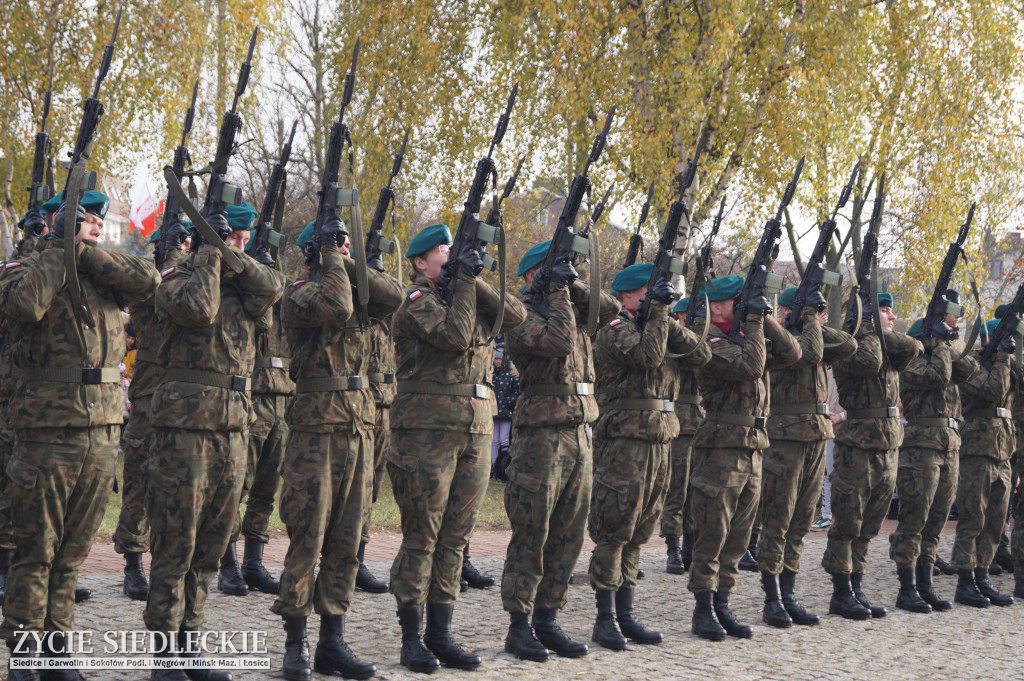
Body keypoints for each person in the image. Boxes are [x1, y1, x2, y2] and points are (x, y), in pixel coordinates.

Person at [0, 190, 160, 679]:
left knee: (73, 551)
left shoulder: (102, 272)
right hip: (48, 430)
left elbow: (149, 280)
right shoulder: (22, 270)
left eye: (98, 220)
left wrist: (84, 251)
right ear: (56, 222)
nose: (94, 225)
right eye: (84, 219)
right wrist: (57, 248)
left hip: (100, 429)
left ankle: (56, 647)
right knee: (36, 549)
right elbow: (26, 305)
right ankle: (25, 653)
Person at [145, 202, 284, 681]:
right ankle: (165, 654)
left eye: (242, 237)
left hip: (234, 430)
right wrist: (207, 254)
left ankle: (190, 642)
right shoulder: (175, 277)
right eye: (230, 235)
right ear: (202, 238)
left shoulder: (247, 283)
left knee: (210, 545)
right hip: (184, 432)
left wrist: (232, 256)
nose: (238, 243)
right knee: (175, 544)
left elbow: (272, 288)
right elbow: (199, 310)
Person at [387, 224, 526, 673]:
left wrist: (475, 279)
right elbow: (456, 337)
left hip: (474, 432)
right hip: (425, 434)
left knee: (455, 539)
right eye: (440, 251)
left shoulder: (466, 294)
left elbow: (517, 317)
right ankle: (411, 639)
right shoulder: (416, 302)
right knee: (423, 536)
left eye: (452, 248)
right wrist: (465, 283)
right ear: (419, 263)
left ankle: (440, 634)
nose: (447, 255)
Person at [271, 220, 403, 680]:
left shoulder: (360, 287)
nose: (347, 251)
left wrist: (346, 257)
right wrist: (330, 257)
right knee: (308, 539)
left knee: (347, 542)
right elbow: (338, 303)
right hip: (316, 429)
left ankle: (332, 640)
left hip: (360, 426)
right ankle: (296, 644)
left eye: (349, 245)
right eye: (338, 243)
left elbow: (396, 295)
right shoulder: (299, 292)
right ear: (317, 251)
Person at [500, 241, 620, 661]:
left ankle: (548, 619)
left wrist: (572, 283)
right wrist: (556, 293)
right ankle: (519, 624)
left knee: (569, 535)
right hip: (541, 436)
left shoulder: (573, 307)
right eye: (557, 271)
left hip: (580, 432)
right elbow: (559, 342)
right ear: (535, 276)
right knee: (533, 531)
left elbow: (611, 309)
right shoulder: (520, 314)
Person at [589, 263, 710, 650]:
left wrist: (667, 318)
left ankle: (626, 615)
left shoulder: (661, 326)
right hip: (624, 443)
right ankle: (605, 618)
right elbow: (646, 355)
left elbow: (702, 354)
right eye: (646, 292)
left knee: (640, 530)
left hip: (660, 440)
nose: (655, 298)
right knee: (615, 529)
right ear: (627, 296)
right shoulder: (614, 331)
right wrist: (659, 314)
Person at [687, 274, 800, 641]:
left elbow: (793, 353)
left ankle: (723, 604)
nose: (745, 308)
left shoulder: (749, 334)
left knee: (738, 537)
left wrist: (763, 318)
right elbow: (750, 366)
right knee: (713, 533)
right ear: (717, 306)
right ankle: (703, 610)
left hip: (753, 444)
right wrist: (753, 323)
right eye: (738, 302)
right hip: (720, 448)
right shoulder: (708, 340)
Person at [759, 286, 856, 627]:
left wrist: (813, 320)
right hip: (785, 439)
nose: (819, 316)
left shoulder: (813, 334)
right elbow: (808, 354)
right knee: (779, 520)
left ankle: (788, 593)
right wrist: (807, 320)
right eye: (812, 310)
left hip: (815, 435)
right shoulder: (776, 339)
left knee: (801, 521)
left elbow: (849, 344)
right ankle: (772, 598)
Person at [823, 292, 922, 619]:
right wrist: (868, 329)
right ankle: (841, 592)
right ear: (866, 314)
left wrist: (880, 329)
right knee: (848, 522)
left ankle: (857, 585)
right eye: (885, 310)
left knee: (870, 525)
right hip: (858, 448)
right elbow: (869, 362)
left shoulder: (888, 345)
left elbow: (914, 347)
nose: (892, 316)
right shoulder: (851, 345)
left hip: (887, 446)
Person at [115, 220, 193, 602]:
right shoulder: (149, 278)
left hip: (183, 392)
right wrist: (171, 256)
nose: (185, 248)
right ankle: (133, 565)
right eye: (178, 243)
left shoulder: (189, 279)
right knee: (139, 479)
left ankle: (170, 560)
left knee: (178, 481)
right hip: (149, 391)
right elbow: (157, 289)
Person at [217, 232, 297, 597]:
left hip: (282, 398)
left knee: (267, 488)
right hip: (255, 395)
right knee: (239, 487)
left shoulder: (281, 287)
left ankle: (254, 561)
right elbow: (261, 320)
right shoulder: (241, 290)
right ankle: (228, 562)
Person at [890, 299, 977, 613]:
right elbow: (939, 375)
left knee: (936, 521)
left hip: (949, 445)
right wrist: (938, 342)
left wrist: (950, 341)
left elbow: (970, 369)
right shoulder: (914, 362)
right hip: (921, 447)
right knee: (915, 520)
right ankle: (907, 588)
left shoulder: (945, 356)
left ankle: (926, 585)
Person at [952, 318, 1016, 607]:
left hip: (1003, 450)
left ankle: (982, 577)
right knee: (973, 519)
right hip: (976, 451)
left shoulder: (1007, 364)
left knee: (995, 522)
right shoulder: (969, 365)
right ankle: (965, 582)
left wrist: (1011, 355)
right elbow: (994, 391)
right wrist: (1001, 356)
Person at [660, 297, 704, 575]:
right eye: (686, 315)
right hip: (679, 422)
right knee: (676, 489)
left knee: (697, 492)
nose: (690, 319)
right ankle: (673, 548)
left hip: (701, 424)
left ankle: (690, 545)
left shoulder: (703, 340)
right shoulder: (673, 340)